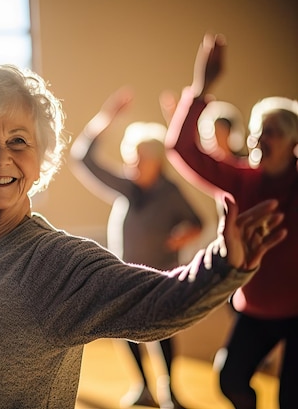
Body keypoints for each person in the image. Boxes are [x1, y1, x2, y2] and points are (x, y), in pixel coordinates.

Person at [0, 64, 287, 409]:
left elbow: (162, 302)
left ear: (40, 162)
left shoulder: (59, 264)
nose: (1, 156)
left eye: (19, 141)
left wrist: (226, 265)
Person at [164, 33, 298, 409]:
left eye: (270, 131)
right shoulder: (242, 180)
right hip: (254, 309)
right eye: (257, 130)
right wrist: (202, 87)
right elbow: (182, 148)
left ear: (293, 142)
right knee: (231, 379)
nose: (257, 138)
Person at [69, 88, 203, 409]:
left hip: (161, 277)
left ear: (156, 162)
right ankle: (143, 387)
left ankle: (169, 390)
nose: (132, 163)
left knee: (163, 333)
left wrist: (182, 237)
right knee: (125, 330)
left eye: (138, 158)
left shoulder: (170, 192)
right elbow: (83, 158)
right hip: (126, 275)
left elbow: (196, 221)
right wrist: (107, 118)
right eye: (130, 156)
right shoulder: (128, 189)